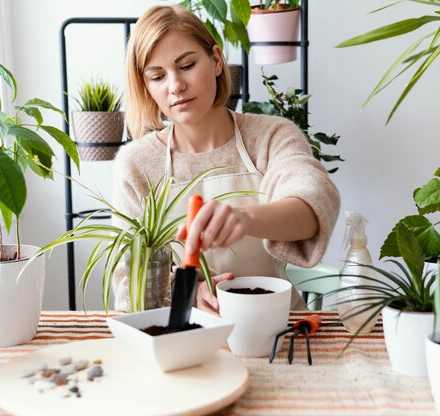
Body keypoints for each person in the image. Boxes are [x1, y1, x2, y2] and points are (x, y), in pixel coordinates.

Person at [112, 4, 340, 314]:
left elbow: (314, 202)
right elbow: (128, 281)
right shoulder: (137, 163)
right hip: (189, 334)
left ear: (217, 60)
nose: (175, 85)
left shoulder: (271, 136)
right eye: (157, 77)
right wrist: (189, 290)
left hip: (279, 329)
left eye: (187, 65)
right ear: (146, 87)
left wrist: (244, 219)